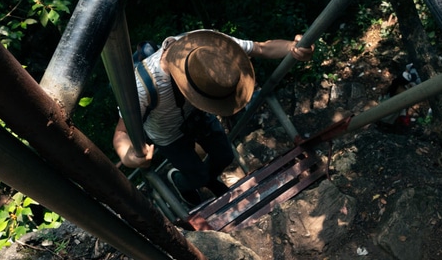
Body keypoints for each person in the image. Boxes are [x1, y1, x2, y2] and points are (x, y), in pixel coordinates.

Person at [112, 29, 313, 204]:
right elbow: (121, 132)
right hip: (168, 136)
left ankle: (207, 179)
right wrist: (130, 156)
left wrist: (293, 48)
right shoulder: (142, 87)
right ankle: (183, 182)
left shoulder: (208, 44)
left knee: (225, 155)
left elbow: (260, 48)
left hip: (198, 115)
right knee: (197, 176)